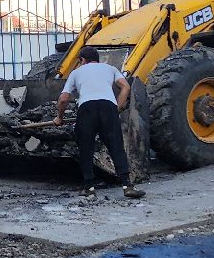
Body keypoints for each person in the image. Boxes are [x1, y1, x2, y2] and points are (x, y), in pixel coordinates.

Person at [55, 47, 147, 199]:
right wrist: (117, 107)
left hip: (86, 109)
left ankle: (89, 188)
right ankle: (127, 186)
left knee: (86, 148)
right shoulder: (110, 68)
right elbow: (126, 87)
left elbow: (64, 99)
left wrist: (59, 117)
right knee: (116, 147)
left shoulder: (76, 72)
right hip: (108, 107)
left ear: (82, 60)